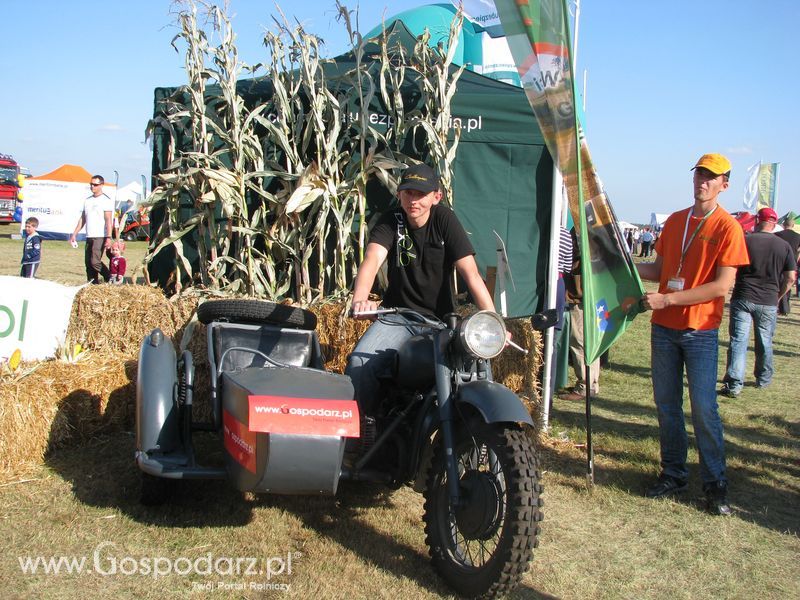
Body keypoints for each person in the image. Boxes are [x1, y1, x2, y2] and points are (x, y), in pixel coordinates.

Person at [636, 153, 749, 516]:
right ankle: (673, 474)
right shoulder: (675, 221)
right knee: (667, 407)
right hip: (664, 331)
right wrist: (620, 265)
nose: (703, 181)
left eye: (711, 176)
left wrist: (668, 298)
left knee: (704, 409)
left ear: (724, 185)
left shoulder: (728, 228)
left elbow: (721, 288)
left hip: (700, 331)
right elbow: (660, 268)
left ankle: (715, 484)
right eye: (700, 173)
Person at [347, 163, 497, 416]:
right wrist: (359, 300)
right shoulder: (391, 220)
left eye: (420, 194)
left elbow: (471, 274)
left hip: (440, 323)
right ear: (399, 194)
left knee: (470, 367)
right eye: (408, 192)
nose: (413, 200)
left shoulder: (445, 219)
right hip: (396, 317)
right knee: (360, 362)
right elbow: (372, 260)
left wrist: (493, 321)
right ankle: (359, 440)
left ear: (436, 196)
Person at [720, 208, 796, 397]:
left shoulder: (745, 241)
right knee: (764, 341)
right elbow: (790, 278)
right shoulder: (783, 246)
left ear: (757, 221)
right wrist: (778, 296)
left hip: (743, 296)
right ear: (774, 223)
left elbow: (731, 268)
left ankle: (734, 384)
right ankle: (763, 378)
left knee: (738, 340)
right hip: (768, 299)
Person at [559, 227, 600, 401]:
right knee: (584, 342)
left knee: (580, 342)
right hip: (584, 299)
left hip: (582, 301)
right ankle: (590, 383)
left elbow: (575, 261)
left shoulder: (586, 235)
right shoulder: (586, 230)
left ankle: (586, 385)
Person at [69, 175, 113, 284]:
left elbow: (108, 220)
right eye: (91, 184)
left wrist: (108, 237)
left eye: (95, 184)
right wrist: (74, 234)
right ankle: (92, 284)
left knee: (95, 262)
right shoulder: (87, 201)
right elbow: (83, 219)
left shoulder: (106, 200)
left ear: (101, 185)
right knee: (88, 263)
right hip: (89, 235)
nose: (92, 186)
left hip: (100, 236)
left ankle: (110, 277)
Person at [775, 216, 800, 314]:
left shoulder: (777, 234)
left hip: (779, 262)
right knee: (788, 284)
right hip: (792, 262)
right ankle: (785, 308)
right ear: (793, 225)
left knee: (779, 284)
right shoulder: (798, 236)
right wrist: (796, 260)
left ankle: (781, 306)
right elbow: (799, 252)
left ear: (783, 225)